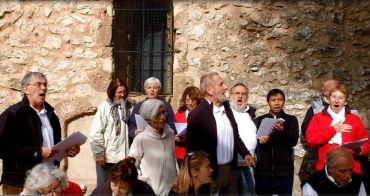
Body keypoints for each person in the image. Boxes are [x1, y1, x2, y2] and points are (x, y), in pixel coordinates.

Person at [0, 72, 80, 194]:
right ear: (25, 89)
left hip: (49, 185)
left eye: (45, 85)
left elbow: (53, 146)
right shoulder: (13, 114)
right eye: (38, 84)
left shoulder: (52, 115)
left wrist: (67, 149)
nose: (43, 88)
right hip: (21, 184)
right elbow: (2, 149)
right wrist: (38, 152)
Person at [186, 72, 255, 194]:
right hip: (211, 173)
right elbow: (192, 149)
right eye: (221, 84)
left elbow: (235, 136)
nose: (225, 87)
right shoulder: (197, 115)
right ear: (210, 90)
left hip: (231, 171)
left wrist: (245, 153)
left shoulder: (227, 108)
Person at [306, 84, 370, 175]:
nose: (336, 100)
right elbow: (311, 140)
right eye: (334, 97)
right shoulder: (318, 117)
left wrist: (359, 149)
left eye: (340, 98)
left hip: (351, 170)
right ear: (329, 99)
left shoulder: (354, 118)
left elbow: (366, 143)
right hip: (325, 169)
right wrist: (333, 130)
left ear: (345, 102)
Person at [254, 89, 299, 195]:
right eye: (273, 100)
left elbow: (293, 141)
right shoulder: (260, 120)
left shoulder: (291, 120)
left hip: (284, 171)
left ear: (284, 101)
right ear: (268, 102)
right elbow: (255, 141)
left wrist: (281, 132)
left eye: (280, 100)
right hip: (264, 171)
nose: (277, 103)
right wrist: (261, 140)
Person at [128, 99, 177, 195]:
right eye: (157, 114)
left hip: (173, 191)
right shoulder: (141, 139)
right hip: (152, 192)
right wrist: (143, 181)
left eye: (163, 112)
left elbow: (172, 159)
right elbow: (131, 165)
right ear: (147, 118)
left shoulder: (170, 133)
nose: (163, 117)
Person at [89, 78, 132, 186]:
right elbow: (96, 132)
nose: (122, 95)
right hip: (107, 157)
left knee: (122, 187)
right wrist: (99, 153)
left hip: (124, 158)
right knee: (105, 188)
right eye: (119, 92)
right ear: (112, 92)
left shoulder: (129, 107)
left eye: (124, 91)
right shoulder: (104, 107)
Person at [299, 79, 339, 182]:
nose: (335, 92)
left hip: (339, 153)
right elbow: (306, 129)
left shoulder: (343, 105)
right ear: (324, 92)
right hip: (319, 153)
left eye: (337, 89)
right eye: (332, 90)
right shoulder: (315, 108)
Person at [229, 82, 257, 195]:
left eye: (243, 94)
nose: (240, 96)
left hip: (248, 165)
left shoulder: (251, 114)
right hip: (231, 165)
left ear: (247, 96)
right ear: (231, 95)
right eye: (237, 93)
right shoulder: (225, 112)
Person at [128, 77, 176, 141]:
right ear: (145, 89)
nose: (152, 90)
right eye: (149, 87)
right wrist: (134, 132)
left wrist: (163, 132)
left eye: (155, 88)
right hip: (143, 141)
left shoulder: (166, 106)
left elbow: (172, 125)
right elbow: (131, 125)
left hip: (160, 141)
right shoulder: (138, 106)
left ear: (159, 90)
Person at [302, 147, 367, 195]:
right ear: (330, 169)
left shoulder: (357, 180)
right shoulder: (313, 183)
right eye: (343, 171)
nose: (348, 176)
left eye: (350, 170)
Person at [91, 157, 155, 196]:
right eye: (114, 185)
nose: (117, 191)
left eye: (122, 188)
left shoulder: (145, 191)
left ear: (131, 184)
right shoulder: (99, 193)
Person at [174, 86, 203, 166]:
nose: (190, 103)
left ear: (198, 101)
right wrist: (175, 137)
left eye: (193, 100)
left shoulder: (203, 116)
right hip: (181, 154)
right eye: (187, 100)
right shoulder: (178, 115)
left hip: (197, 154)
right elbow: (172, 132)